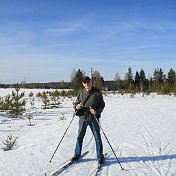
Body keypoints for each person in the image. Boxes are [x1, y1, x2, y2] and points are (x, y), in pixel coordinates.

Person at [71, 76, 105, 165]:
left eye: (88, 82)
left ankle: (100, 156)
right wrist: (76, 106)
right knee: (79, 137)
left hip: (93, 119)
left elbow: (102, 104)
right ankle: (77, 154)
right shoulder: (81, 92)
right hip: (82, 118)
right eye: (85, 82)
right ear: (83, 84)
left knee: (97, 138)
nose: (87, 83)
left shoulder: (97, 92)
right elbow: (76, 102)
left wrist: (96, 111)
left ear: (91, 82)